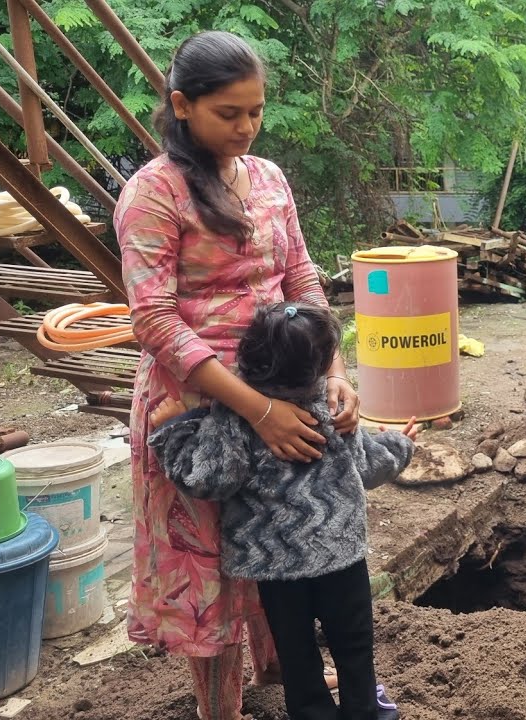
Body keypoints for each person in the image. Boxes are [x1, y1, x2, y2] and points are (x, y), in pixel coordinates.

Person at [117, 31, 360, 720]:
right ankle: (218, 708)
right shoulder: (152, 196)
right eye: (230, 113)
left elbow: (301, 276)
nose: (247, 126)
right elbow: (155, 323)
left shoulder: (270, 178)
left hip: (285, 387)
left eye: (256, 111)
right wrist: (255, 411)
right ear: (182, 106)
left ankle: (286, 670)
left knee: (283, 533)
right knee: (208, 567)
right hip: (195, 406)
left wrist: (333, 369)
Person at [148, 302, 415, 720]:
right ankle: (365, 711)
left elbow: (210, 480)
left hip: (275, 567)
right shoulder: (333, 411)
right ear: (323, 363)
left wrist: (173, 433)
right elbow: (369, 466)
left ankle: (312, 713)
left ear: (247, 356)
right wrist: (400, 443)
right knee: (354, 642)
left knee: (295, 649)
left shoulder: (236, 416)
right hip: (341, 556)